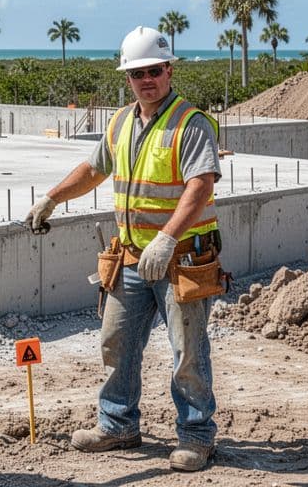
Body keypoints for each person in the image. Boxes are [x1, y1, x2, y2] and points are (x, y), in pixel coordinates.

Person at [25, 25, 222, 472]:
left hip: (181, 259)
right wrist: (52, 197)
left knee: (187, 352)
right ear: (128, 78)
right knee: (116, 343)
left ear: (169, 70)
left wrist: (167, 237)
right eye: (137, 73)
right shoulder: (120, 122)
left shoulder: (190, 123)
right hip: (132, 260)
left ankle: (196, 436)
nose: (146, 79)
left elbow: (200, 184)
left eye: (154, 70)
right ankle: (117, 425)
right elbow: (94, 169)